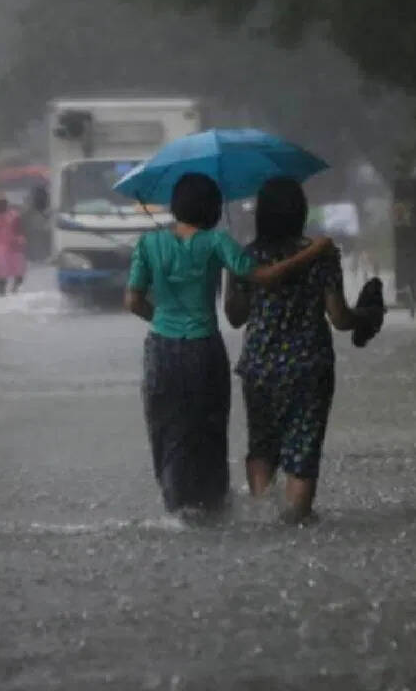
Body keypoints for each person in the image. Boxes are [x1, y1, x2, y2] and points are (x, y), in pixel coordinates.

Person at [124, 173, 334, 517]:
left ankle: (177, 507)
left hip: (160, 350)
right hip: (204, 349)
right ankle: (213, 506)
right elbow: (264, 277)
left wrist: (164, 322)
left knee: (167, 428)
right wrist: (313, 252)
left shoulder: (148, 244)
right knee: (208, 430)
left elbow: (133, 301)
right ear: (212, 208)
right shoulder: (217, 243)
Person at [225, 177, 376, 524]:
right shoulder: (321, 255)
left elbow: (235, 317)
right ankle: (296, 518)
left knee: (262, 446)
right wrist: (365, 315)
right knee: (303, 449)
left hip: (260, 365)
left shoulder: (246, 257)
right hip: (310, 365)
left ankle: (264, 517)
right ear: (301, 213)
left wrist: (232, 274)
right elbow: (339, 318)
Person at [0, 195, 26, 296]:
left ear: (6, 204)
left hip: (13, 247)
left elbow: (19, 230)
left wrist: (20, 241)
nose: (0, 206)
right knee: (1, 275)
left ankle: (14, 290)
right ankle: (2, 293)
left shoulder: (14, 215)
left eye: (2, 203)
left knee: (19, 272)